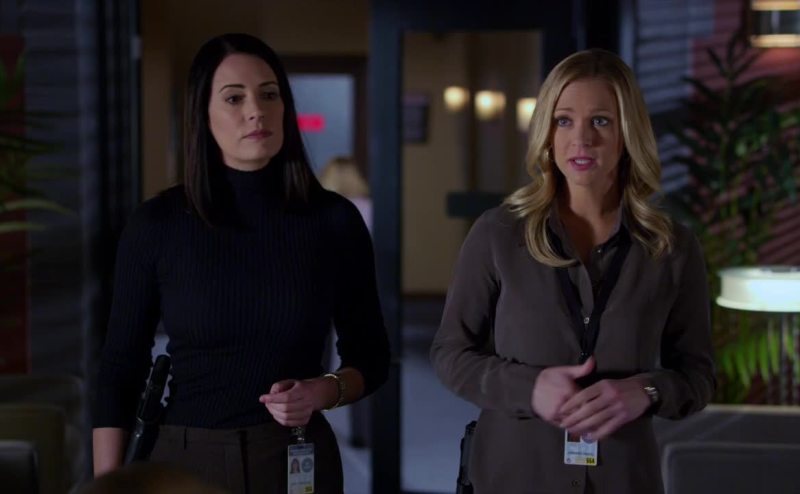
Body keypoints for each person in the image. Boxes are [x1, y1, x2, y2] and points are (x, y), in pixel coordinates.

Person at [92, 33, 390, 493]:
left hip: (294, 457)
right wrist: (107, 486)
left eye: (269, 95)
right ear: (202, 113)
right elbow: (120, 368)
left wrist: (322, 391)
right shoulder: (157, 224)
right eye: (234, 98)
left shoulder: (333, 220)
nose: (256, 110)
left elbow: (371, 356)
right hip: (185, 460)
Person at [430, 49, 715, 494]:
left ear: (628, 133)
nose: (581, 139)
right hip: (512, 477)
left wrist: (646, 391)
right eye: (564, 121)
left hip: (623, 480)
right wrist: (528, 388)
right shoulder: (498, 234)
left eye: (600, 121)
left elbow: (698, 376)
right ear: (547, 132)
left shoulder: (672, 247)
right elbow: (450, 354)